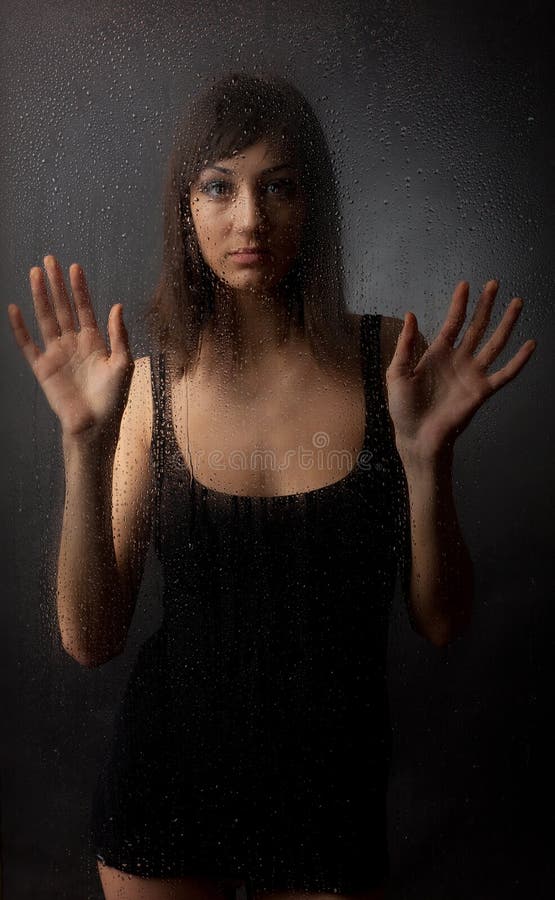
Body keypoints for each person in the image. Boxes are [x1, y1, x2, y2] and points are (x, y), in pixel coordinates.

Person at [7, 72, 536, 900]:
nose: (249, 219)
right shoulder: (147, 389)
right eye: (219, 186)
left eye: (277, 187)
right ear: (187, 207)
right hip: (167, 788)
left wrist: (429, 462)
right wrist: (84, 444)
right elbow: (90, 638)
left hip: (331, 790)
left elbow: (441, 623)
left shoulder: (389, 358)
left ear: (311, 205)